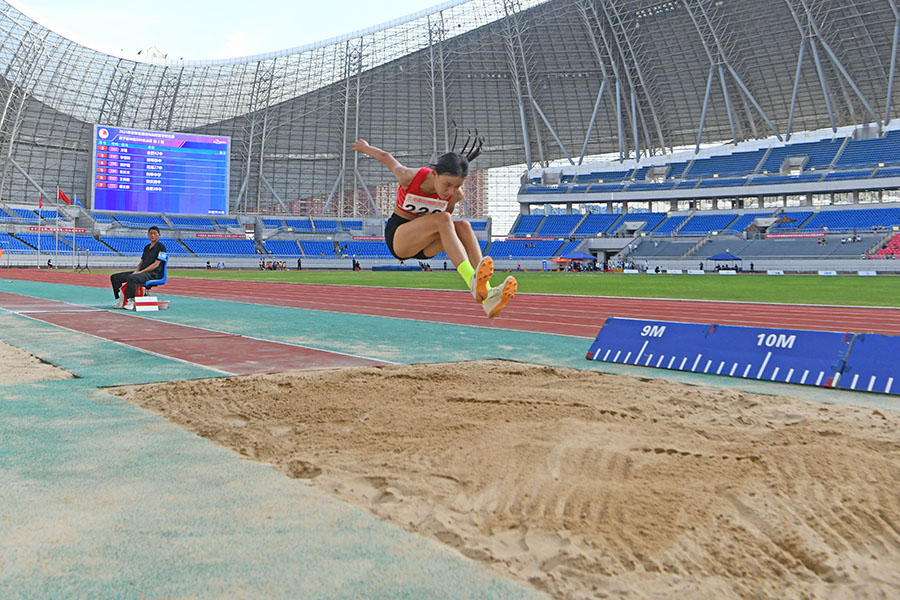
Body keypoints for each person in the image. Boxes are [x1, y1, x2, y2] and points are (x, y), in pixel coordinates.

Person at [352, 136, 516, 318]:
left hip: (425, 244)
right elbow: (386, 157)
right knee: (444, 218)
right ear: (434, 174)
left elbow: (446, 223)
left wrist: (452, 199)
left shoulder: (454, 195)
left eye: (458, 186)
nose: (451, 191)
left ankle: (487, 294)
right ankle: (472, 279)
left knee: (464, 226)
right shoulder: (409, 177)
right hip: (400, 237)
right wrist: (365, 148)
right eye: (447, 185)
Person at [110, 226, 166, 309]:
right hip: (141, 272)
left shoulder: (162, 248)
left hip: (152, 273)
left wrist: (141, 272)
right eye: (151, 233)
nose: (152, 235)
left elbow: (156, 264)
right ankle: (121, 299)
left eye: (155, 233)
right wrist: (136, 271)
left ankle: (132, 300)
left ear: (159, 235)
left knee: (132, 278)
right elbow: (141, 262)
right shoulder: (146, 248)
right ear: (148, 235)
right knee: (115, 277)